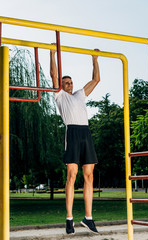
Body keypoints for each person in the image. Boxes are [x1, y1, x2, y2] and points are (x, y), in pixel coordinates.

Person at [50, 45, 100, 235]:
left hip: (86, 133)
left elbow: (96, 79)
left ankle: (88, 218)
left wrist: (94, 59)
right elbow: (54, 75)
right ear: (62, 86)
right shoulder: (60, 96)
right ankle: (69, 219)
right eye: (66, 82)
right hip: (72, 132)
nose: (69, 84)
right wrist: (52, 53)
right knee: (72, 174)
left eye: (70, 82)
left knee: (89, 175)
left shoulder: (80, 94)